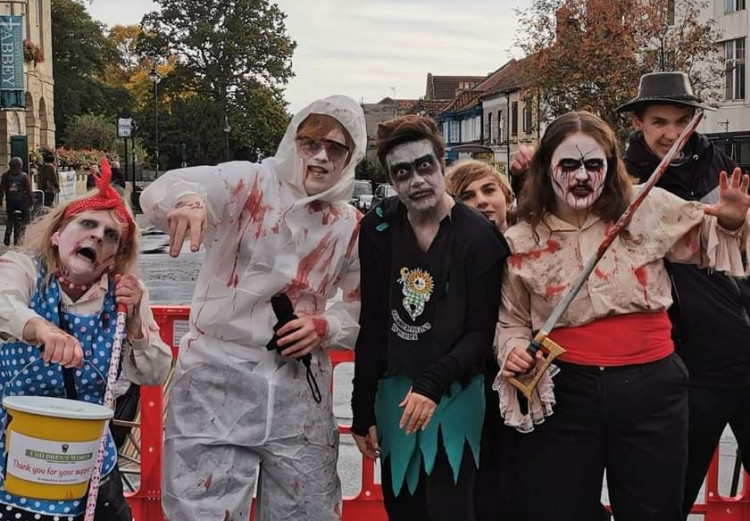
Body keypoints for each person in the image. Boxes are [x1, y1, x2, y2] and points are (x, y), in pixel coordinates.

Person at [494, 110, 750, 521]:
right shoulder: (522, 238)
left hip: (653, 389)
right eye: (568, 165)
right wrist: (511, 350)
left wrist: (734, 222)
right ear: (546, 168)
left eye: (593, 164)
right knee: (561, 510)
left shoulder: (646, 207)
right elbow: (511, 320)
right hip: (566, 391)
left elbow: (710, 245)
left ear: (611, 165)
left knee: (653, 511)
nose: (581, 177)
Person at [140, 95, 365, 521]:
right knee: (201, 510)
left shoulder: (348, 225)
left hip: (298, 389)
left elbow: (360, 308)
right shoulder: (251, 183)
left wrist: (323, 326)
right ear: (292, 140)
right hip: (216, 380)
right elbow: (174, 188)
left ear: (350, 159)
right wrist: (188, 201)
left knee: (308, 510)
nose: (320, 157)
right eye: (311, 142)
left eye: (336, 149)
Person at [351, 115, 509, 521]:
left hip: (455, 392)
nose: (416, 180)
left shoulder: (478, 236)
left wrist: (432, 384)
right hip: (395, 395)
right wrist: (361, 407)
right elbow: (373, 321)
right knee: (404, 508)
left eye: (424, 166)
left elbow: (480, 332)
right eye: (401, 172)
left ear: (441, 164)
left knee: (450, 507)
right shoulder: (378, 228)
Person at [0, 158, 172, 520]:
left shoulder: (124, 297)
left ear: (114, 257)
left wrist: (137, 322)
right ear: (58, 234)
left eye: (111, 236)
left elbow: (154, 372)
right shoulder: (25, 269)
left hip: (89, 465)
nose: (97, 236)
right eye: (87, 224)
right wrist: (39, 329)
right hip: (17, 459)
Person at [615, 70, 750, 518]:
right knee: (668, 499)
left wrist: (737, 224)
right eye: (659, 122)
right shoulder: (623, 184)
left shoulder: (723, 166)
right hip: (688, 370)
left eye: (681, 121)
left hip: (745, 356)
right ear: (638, 123)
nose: (672, 133)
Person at [444, 159, 523, 521]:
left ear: (507, 196)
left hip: (528, 381)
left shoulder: (533, 246)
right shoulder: (451, 256)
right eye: (467, 196)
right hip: (474, 386)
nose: (482, 201)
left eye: (489, 190)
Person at [0, 157, 33, 246]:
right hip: (22, 202)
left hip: (10, 201)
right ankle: (22, 235)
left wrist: (0, 202)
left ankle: (7, 235)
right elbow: (29, 191)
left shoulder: (5, 176)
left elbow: (1, 190)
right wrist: (31, 202)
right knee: (25, 219)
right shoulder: (24, 176)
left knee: (10, 218)